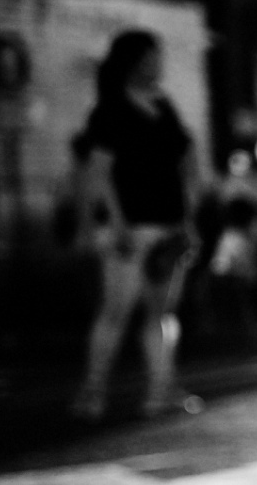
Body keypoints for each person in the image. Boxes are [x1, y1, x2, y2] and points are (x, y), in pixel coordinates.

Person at [72, 29, 200, 421]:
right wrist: (116, 222)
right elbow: (99, 172)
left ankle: (160, 391)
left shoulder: (164, 106)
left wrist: (187, 219)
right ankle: (93, 393)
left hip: (168, 225)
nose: (159, 64)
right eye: (151, 57)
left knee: (162, 313)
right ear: (133, 62)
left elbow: (184, 161)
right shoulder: (111, 110)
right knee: (116, 311)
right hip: (130, 227)